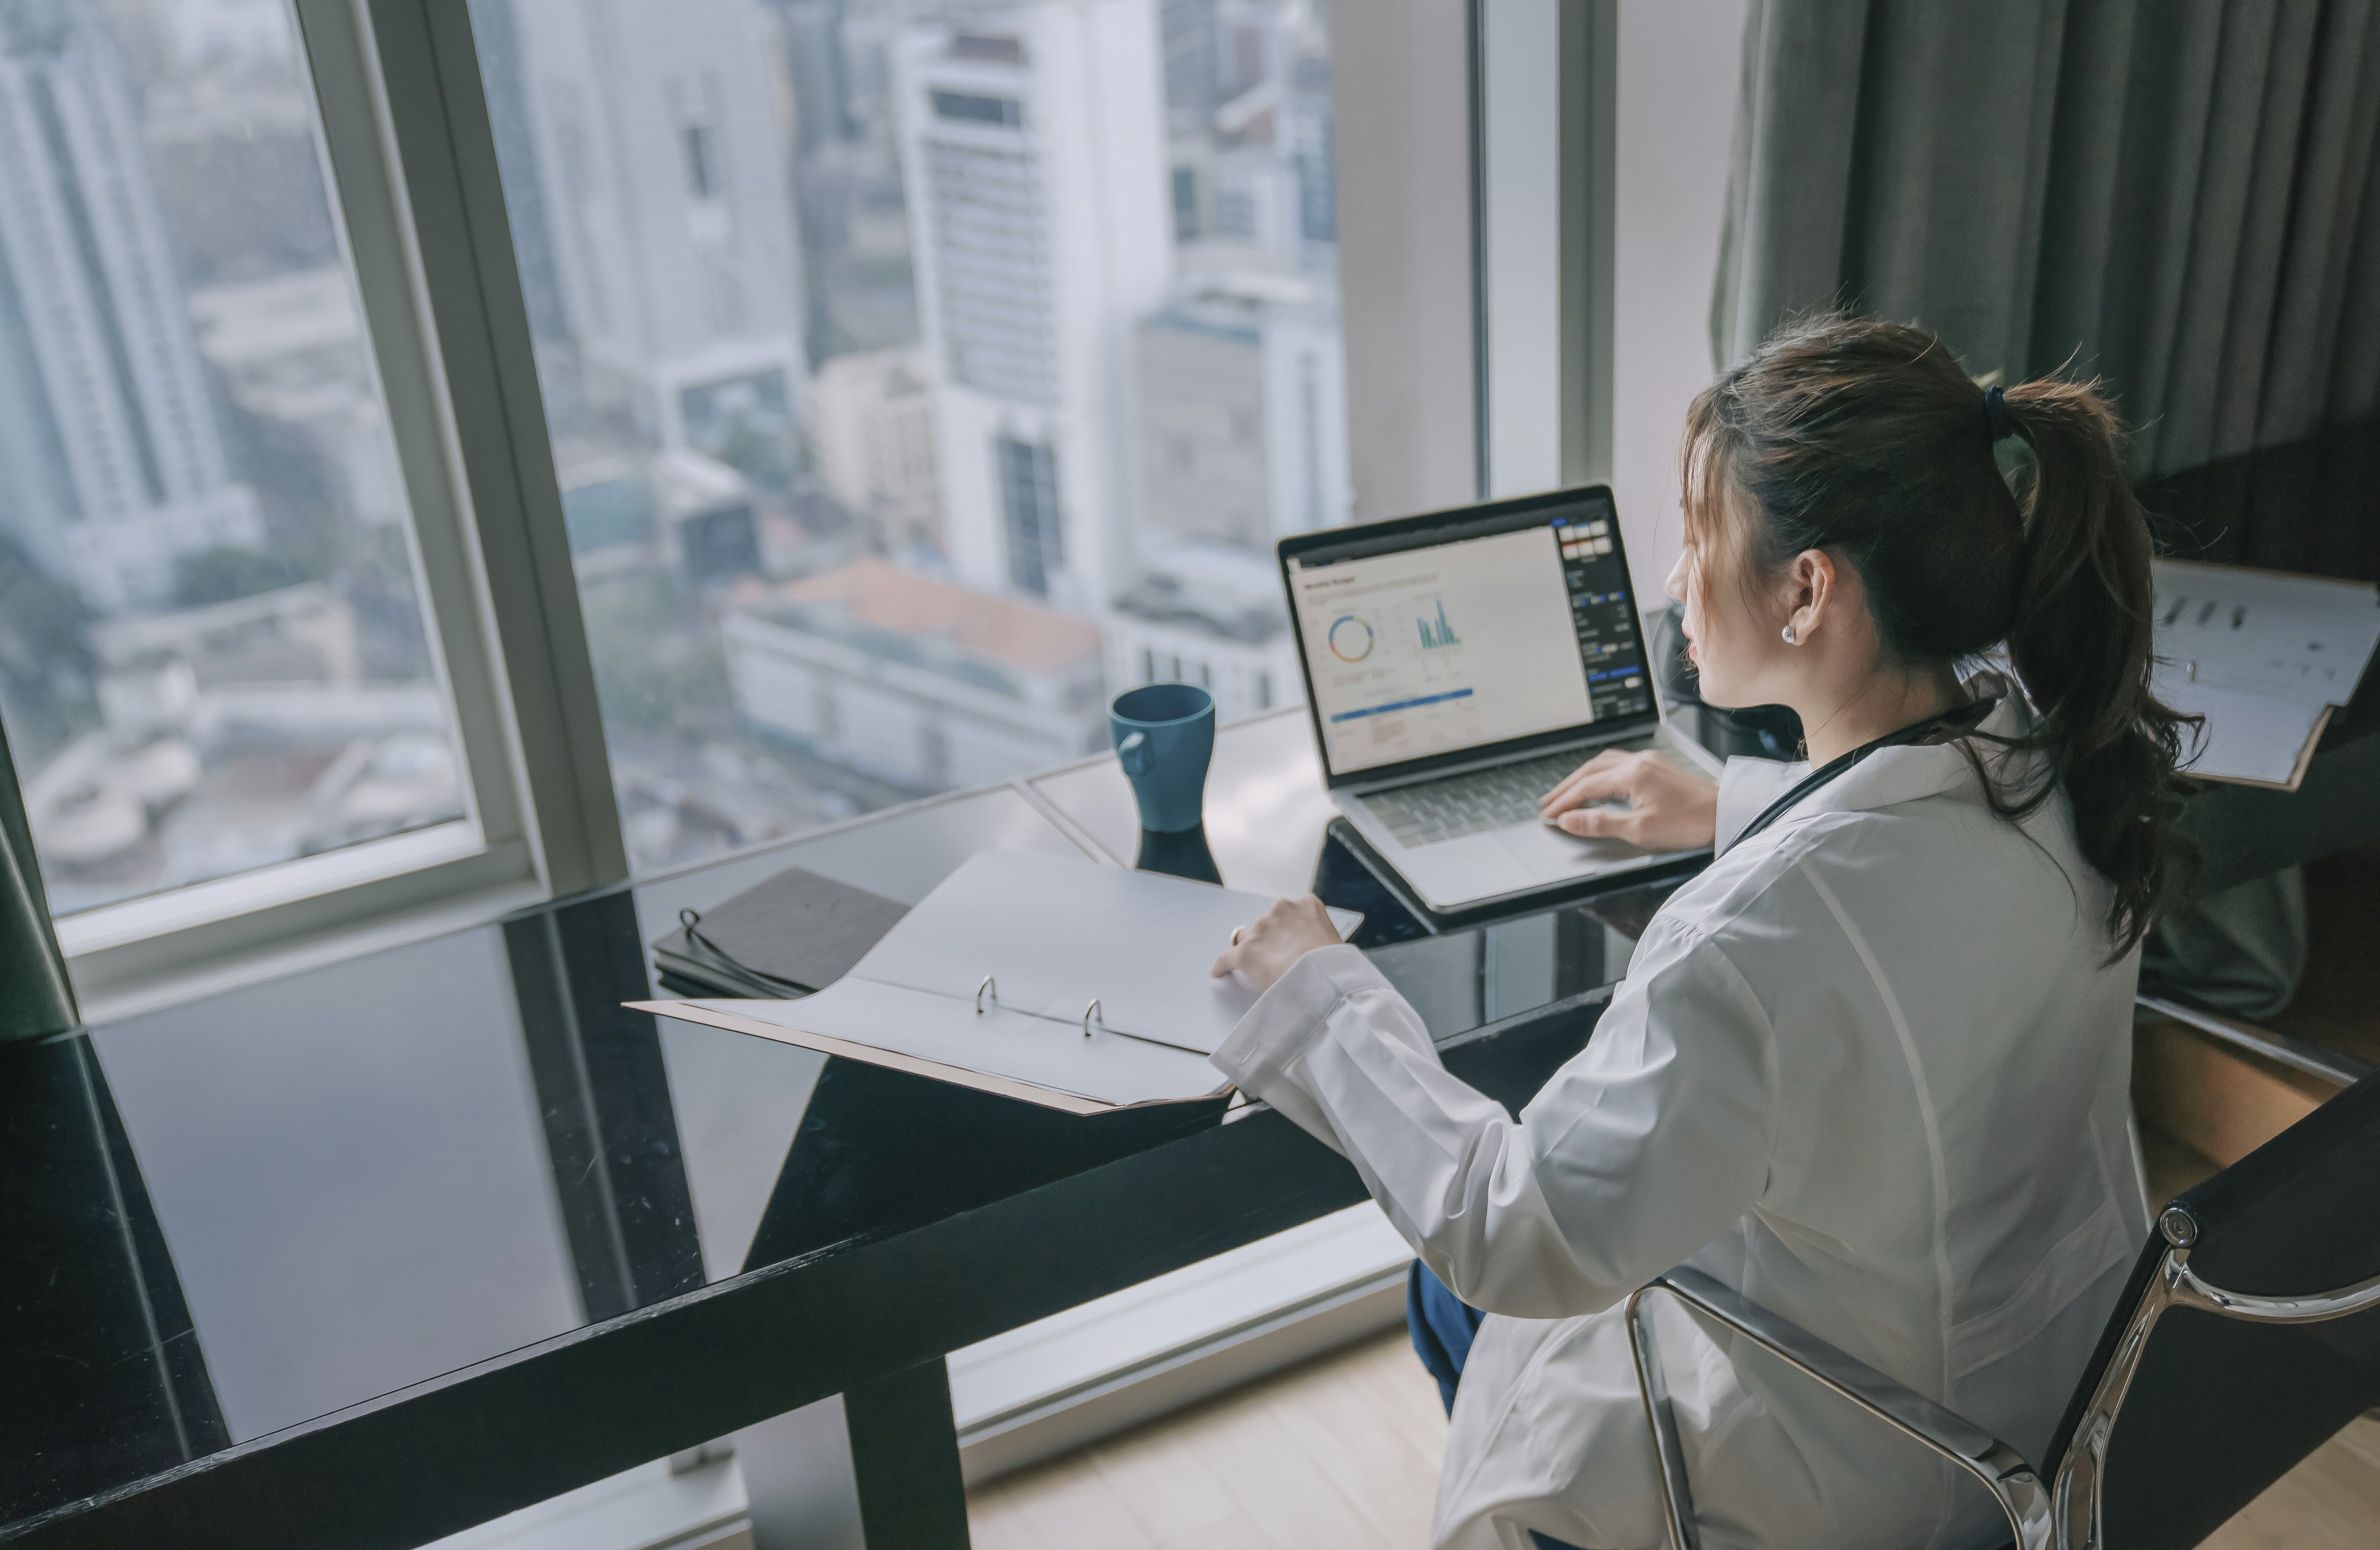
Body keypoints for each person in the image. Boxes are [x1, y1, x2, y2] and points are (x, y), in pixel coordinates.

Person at [1209, 312, 2195, 1550]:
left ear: (1806, 587)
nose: (1675, 578)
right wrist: (1732, 798)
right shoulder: (2060, 765)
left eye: (1697, 536)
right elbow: (1900, 859)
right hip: (2059, 1405)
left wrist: (1320, 996)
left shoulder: (1743, 938)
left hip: (1863, 1475)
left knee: (1449, 1293)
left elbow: (1515, 1235)